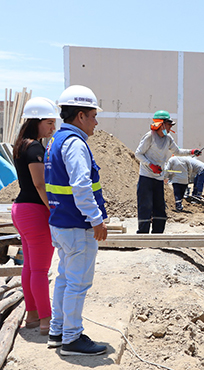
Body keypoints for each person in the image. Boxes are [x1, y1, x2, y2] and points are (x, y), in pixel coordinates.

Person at [44, 85, 108, 355]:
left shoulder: (55, 141)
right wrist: (96, 219)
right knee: (78, 283)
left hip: (60, 223)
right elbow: (81, 186)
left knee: (64, 279)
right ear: (80, 116)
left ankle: (58, 331)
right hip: (76, 226)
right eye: (93, 115)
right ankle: (72, 338)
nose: (95, 122)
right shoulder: (75, 144)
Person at [12, 97, 58, 335]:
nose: (53, 128)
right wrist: (54, 210)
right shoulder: (36, 148)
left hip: (20, 209)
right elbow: (40, 185)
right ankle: (46, 320)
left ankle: (32, 315)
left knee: (30, 266)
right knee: (40, 270)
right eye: (49, 122)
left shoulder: (20, 145)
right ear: (36, 121)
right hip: (35, 210)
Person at [134, 110, 201, 233]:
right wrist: (150, 165)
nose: (170, 127)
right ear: (162, 124)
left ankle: (157, 235)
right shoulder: (150, 136)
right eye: (169, 124)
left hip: (158, 178)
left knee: (159, 207)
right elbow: (138, 154)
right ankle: (142, 235)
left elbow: (177, 151)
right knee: (145, 206)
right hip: (146, 177)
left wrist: (192, 152)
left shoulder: (168, 138)